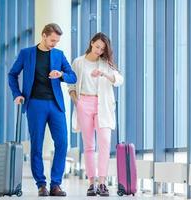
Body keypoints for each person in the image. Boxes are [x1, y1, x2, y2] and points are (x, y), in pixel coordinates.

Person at [8, 23, 77, 197]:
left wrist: (61, 75)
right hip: (35, 104)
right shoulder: (27, 54)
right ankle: (41, 185)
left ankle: (56, 184)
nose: (54, 43)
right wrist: (17, 94)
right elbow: (12, 74)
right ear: (44, 35)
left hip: (55, 105)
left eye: (57, 41)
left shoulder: (59, 55)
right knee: (36, 145)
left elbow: (72, 76)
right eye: (52, 40)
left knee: (62, 143)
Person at [68, 32, 124, 196]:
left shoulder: (105, 63)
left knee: (105, 143)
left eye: (102, 49)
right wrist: (77, 102)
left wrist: (104, 73)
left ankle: (102, 183)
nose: (99, 50)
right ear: (92, 43)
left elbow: (119, 80)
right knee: (89, 145)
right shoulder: (78, 62)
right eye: (97, 46)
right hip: (84, 104)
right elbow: (71, 86)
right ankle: (91, 183)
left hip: (102, 106)